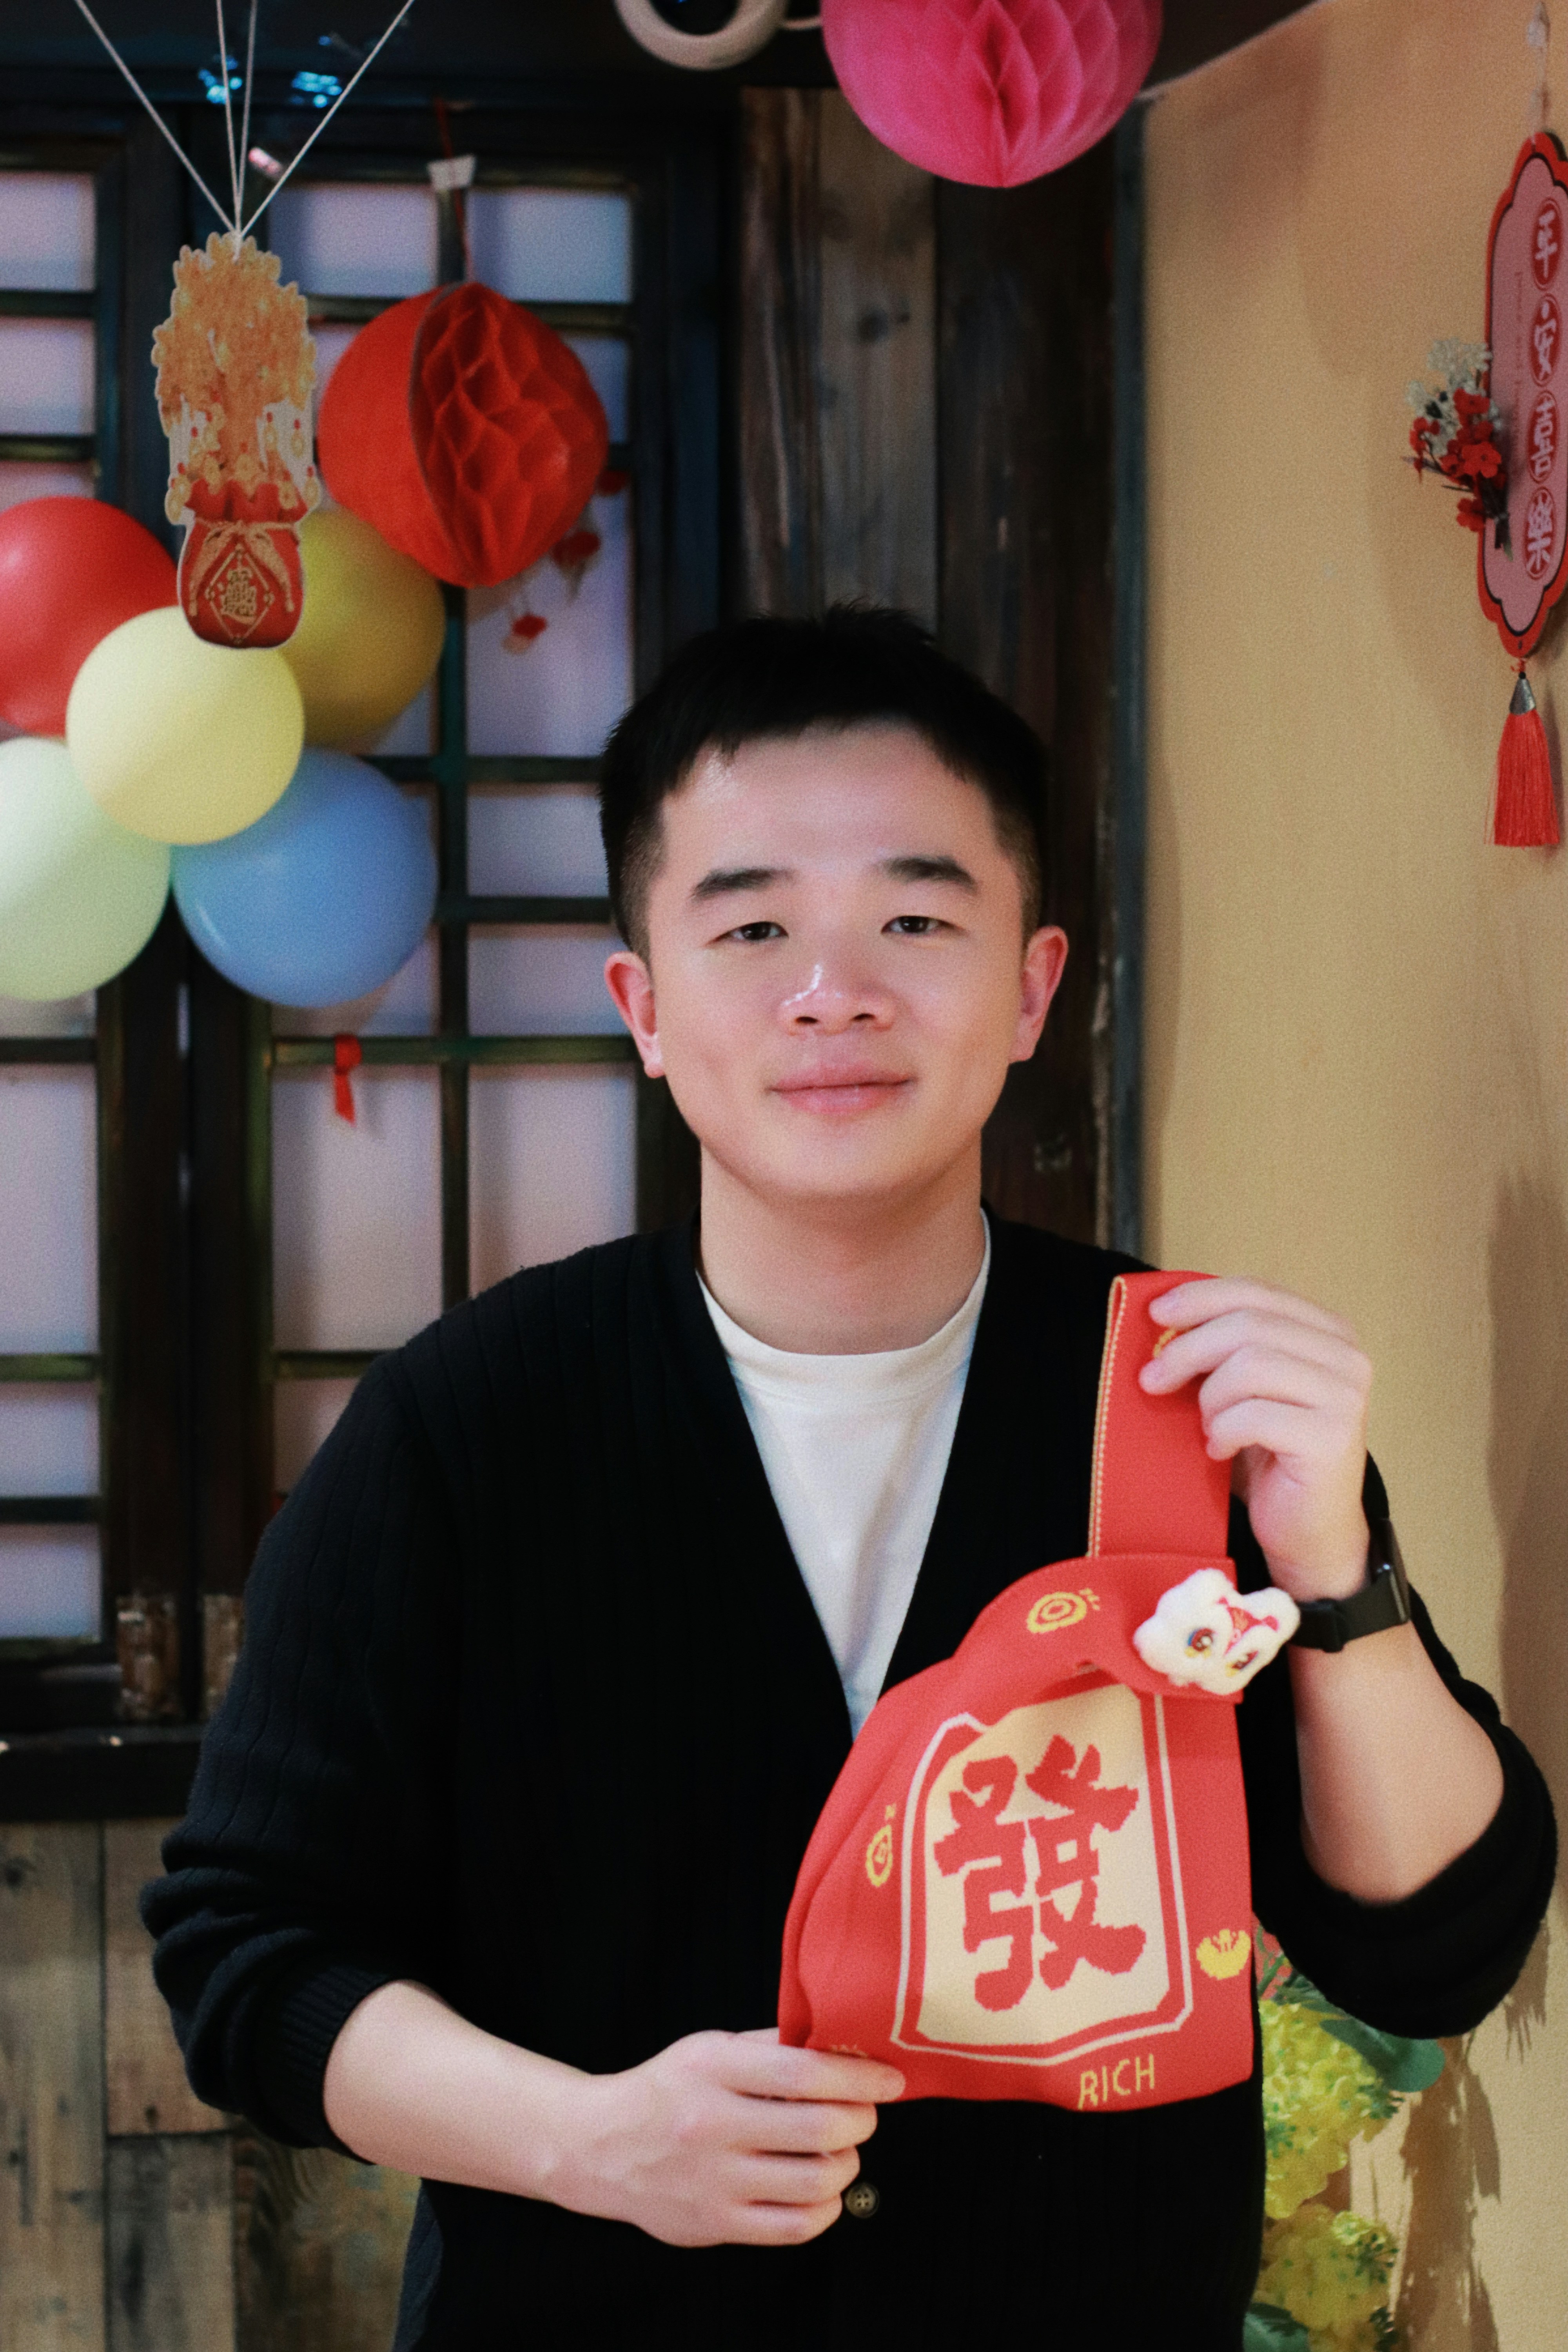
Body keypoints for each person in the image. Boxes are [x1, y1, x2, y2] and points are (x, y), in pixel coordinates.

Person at [145, 608, 1555, 2349]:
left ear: (1032, 986)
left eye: (912, 917)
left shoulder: (1177, 1398)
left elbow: (1434, 1950)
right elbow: (251, 1959)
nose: (834, 991)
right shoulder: (466, 1426)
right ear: (644, 1009)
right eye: (752, 927)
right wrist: (590, 2143)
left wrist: (1333, 1571)